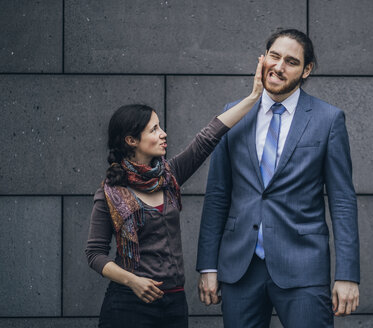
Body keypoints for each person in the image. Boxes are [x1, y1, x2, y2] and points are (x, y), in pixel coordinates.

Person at [196, 29, 360, 327]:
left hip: (303, 269)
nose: (279, 66)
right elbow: (218, 194)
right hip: (239, 268)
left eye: (291, 61)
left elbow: (342, 201)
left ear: (306, 69)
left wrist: (347, 275)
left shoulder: (328, 119)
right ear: (263, 58)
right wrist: (208, 265)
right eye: (274, 56)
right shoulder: (233, 114)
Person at [85, 56, 264, 328]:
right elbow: (95, 254)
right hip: (128, 302)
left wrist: (253, 97)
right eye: (154, 129)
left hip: (174, 303)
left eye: (160, 126)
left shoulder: (170, 175)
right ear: (131, 140)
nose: (163, 133)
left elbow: (208, 137)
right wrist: (133, 280)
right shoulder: (111, 192)